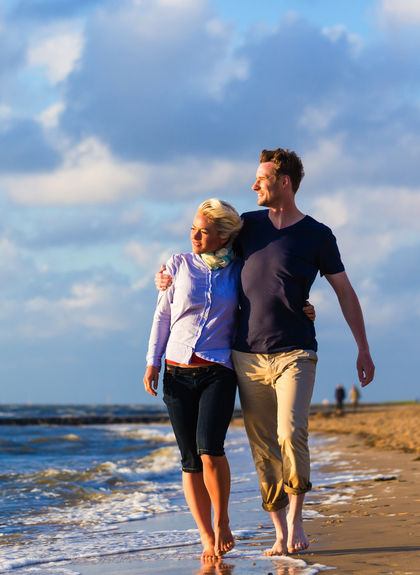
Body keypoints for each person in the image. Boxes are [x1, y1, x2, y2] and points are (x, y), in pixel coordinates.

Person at [156, 148, 375, 557]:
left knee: (290, 432)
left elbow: (344, 291)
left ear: (284, 181)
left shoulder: (318, 235)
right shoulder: (249, 227)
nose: (254, 185)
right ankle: (278, 530)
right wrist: (167, 275)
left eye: (262, 178)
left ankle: (296, 519)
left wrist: (363, 347)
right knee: (263, 447)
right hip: (246, 354)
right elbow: (207, 254)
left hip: (296, 351)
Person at [144, 198, 316, 562]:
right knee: (190, 459)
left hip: (218, 370)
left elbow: (265, 298)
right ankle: (206, 535)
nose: (194, 236)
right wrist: (152, 362)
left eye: (203, 231)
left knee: (210, 450)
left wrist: (302, 307)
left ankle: (222, 521)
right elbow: (162, 317)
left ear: (223, 236)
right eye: (193, 229)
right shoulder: (178, 265)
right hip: (176, 371)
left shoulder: (238, 269)